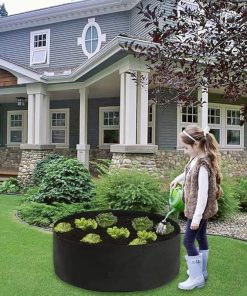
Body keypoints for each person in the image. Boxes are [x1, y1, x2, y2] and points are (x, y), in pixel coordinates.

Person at [170, 124, 222, 290]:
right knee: (201, 238)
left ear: (196, 145)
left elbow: (203, 195)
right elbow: (188, 172)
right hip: (197, 210)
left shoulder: (203, 165)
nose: (184, 151)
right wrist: (178, 179)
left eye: (185, 148)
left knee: (188, 241)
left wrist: (196, 218)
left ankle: (196, 277)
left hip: (198, 211)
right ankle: (202, 271)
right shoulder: (196, 159)